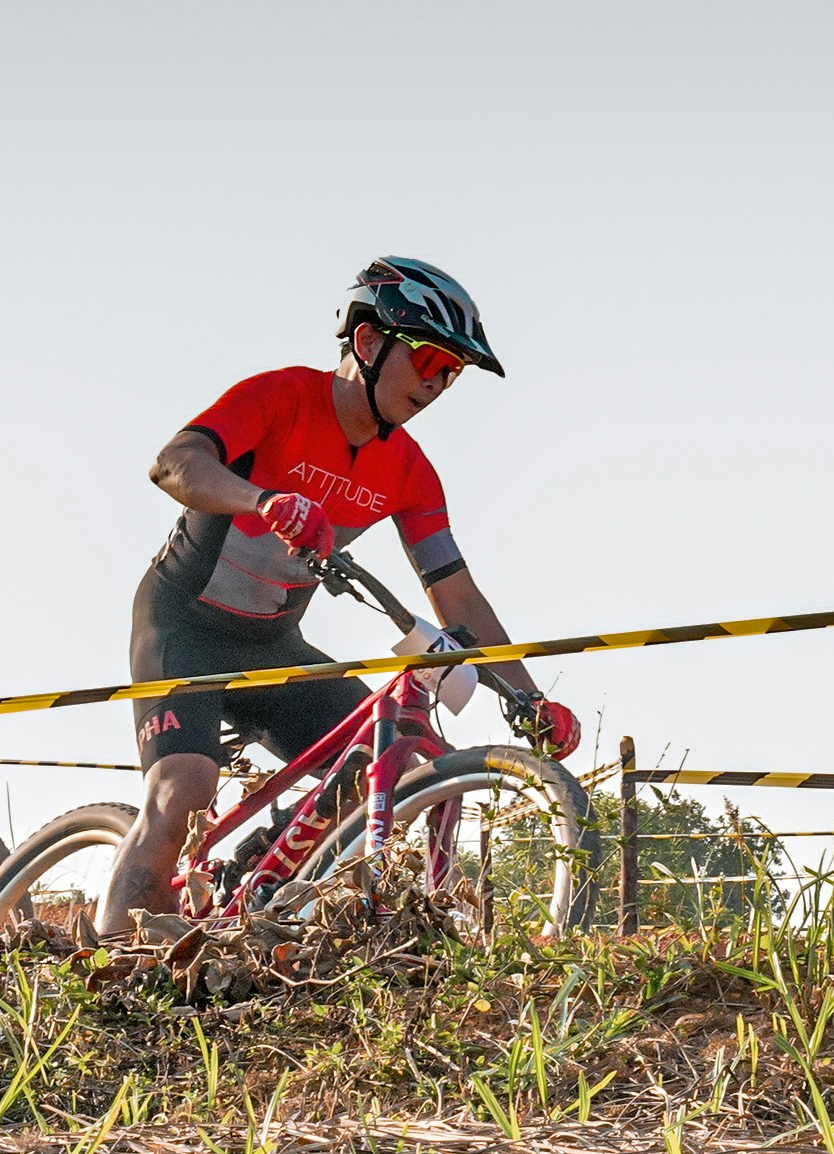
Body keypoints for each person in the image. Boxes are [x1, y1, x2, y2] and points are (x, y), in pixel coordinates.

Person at [98, 256, 578, 936]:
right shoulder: (281, 397)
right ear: (368, 343)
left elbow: (456, 594)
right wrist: (263, 501)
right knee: (182, 790)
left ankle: (249, 880)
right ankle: (110, 962)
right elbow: (173, 463)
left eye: (454, 373)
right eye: (430, 359)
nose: (439, 383)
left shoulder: (409, 470)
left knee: (385, 768)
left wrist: (527, 696)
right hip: (184, 624)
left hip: (272, 643)